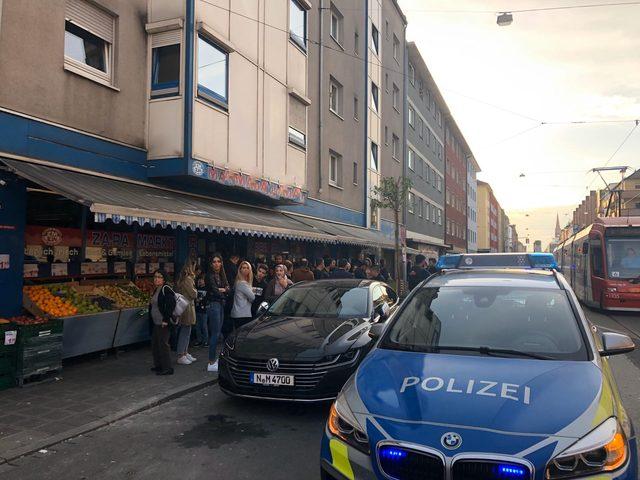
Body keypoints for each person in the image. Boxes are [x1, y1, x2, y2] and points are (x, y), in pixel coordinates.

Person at [205, 255, 230, 373]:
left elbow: (228, 288)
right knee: (215, 333)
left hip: (220, 304)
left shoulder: (222, 275)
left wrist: (223, 290)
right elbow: (214, 291)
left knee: (218, 332)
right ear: (211, 264)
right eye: (214, 261)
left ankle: (214, 360)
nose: (216, 263)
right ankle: (211, 361)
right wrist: (222, 290)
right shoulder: (209, 276)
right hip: (213, 304)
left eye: (218, 261)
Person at [149, 270, 176, 376]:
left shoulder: (166, 289)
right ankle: (159, 365)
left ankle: (167, 368)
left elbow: (170, 304)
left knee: (163, 345)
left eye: (159, 277)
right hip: (156, 322)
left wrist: (165, 320)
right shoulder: (157, 289)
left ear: (164, 279)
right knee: (155, 344)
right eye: (155, 277)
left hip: (163, 322)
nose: (156, 279)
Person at [175, 261, 198, 365]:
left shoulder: (183, 279)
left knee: (187, 330)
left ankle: (185, 352)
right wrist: (196, 291)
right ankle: (181, 354)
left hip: (185, 306)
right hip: (187, 307)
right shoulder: (188, 279)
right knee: (185, 331)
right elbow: (193, 294)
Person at [231, 261, 256, 331]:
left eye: (248, 268)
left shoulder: (240, 282)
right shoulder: (242, 283)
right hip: (242, 314)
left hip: (240, 313)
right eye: (244, 267)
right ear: (240, 269)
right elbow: (252, 297)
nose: (246, 269)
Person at [193, 267, 208, 347]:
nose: (200, 281)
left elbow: (207, 298)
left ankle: (205, 340)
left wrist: (201, 300)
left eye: (202, 280)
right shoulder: (196, 288)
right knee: (197, 325)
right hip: (197, 308)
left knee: (204, 325)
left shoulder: (207, 289)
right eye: (199, 280)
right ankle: (199, 340)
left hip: (204, 309)